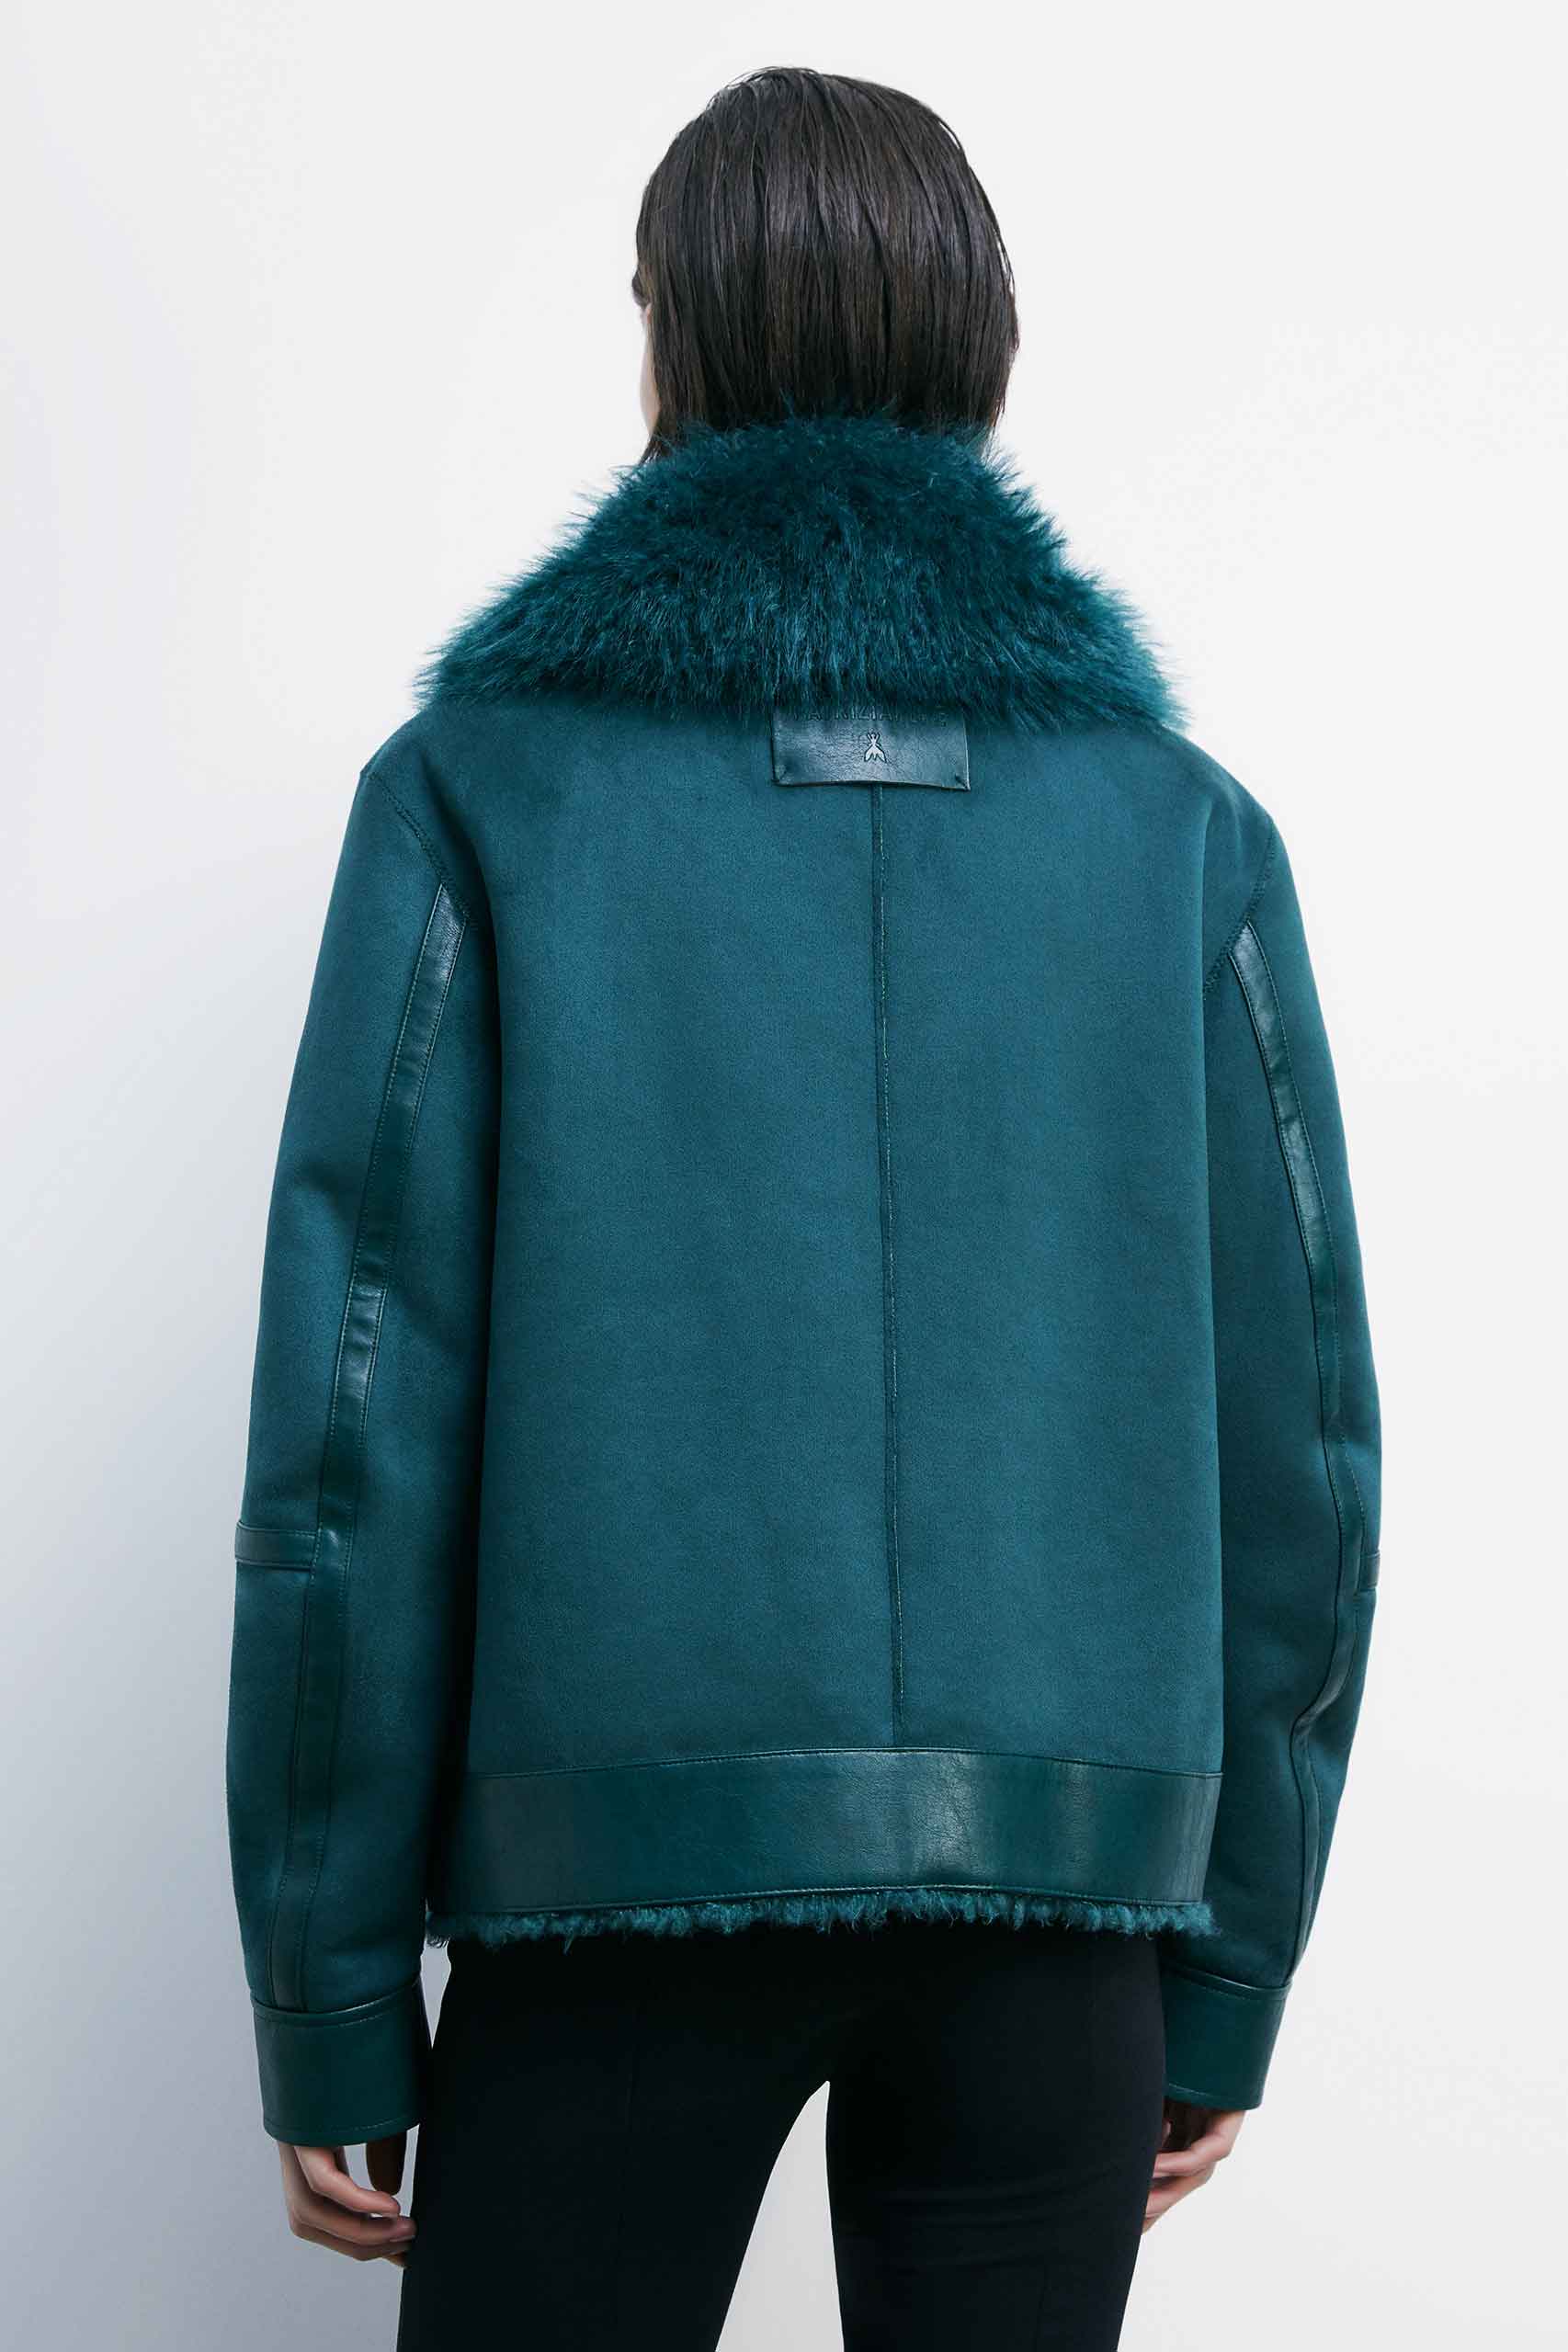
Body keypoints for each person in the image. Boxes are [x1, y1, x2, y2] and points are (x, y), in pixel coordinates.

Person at [225, 64, 1382, 2351]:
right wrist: (1230, 1957)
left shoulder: (481, 791)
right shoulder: (1178, 830)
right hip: (1057, 1931)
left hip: (605, 1911)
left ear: (668, 339)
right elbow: (1306, 1456)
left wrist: (331, 1993)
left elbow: (350, 1447)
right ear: (984, 347)